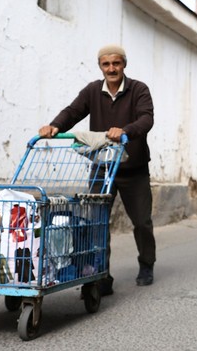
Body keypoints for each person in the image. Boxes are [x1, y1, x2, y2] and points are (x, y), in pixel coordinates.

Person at [39, 44, 156, 291]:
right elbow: (73, 111)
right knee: (97, 224)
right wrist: (55, 126)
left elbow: (146, 118)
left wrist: (125, 130)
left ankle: (146, 264)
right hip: (102, 169)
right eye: (106, 64)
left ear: (124, 64)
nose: (111, 69)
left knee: (142, 221)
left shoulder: (138, 90)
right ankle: (101, 274)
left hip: (133, 169)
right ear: (100, 66)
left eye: (116, 63)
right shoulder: (93, 91)